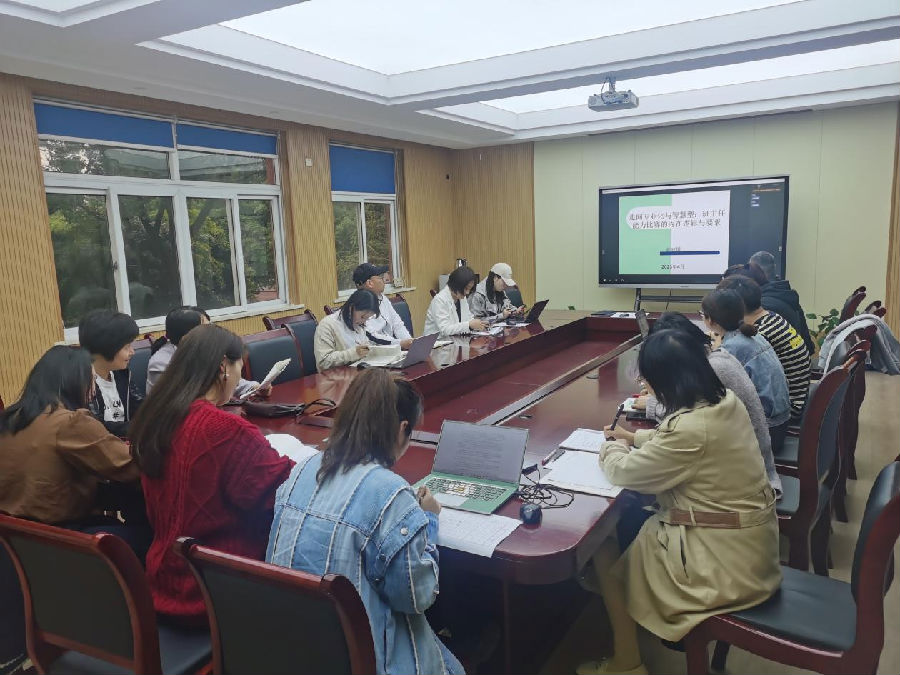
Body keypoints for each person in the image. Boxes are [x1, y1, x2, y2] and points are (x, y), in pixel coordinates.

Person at [577, 330, 781, 675]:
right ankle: (640, 623)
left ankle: (626, 661)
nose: (646, 386)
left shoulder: (692, 428)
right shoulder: (723, 401)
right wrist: (633, 437)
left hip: (725, 564)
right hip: (748, 545)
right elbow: (674, 438)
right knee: (629, 519)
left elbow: (624, 471)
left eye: (648, 379)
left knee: (603, 540)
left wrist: (611, 447)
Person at [267, 369, 463, 675]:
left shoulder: (300, 472)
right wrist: (429, 519)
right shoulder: (391, 493)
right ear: (402, 429)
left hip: (298, 650)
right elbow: (417, 597)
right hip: (363, 659)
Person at [129, 324, 294, 625]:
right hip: (217, 592)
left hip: (161, 580)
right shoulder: (225, 430)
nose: (240, 377)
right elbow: (282, 494)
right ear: (222, 367)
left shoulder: (155, 417)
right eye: (239, 367)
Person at [0, 346, 148, 550]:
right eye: (92, 380)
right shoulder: (70, 423)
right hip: (63, 541)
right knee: (154, 538)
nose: (94, 389)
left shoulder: (10, 418)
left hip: (17, 542)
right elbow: (132, 467)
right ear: (77, 382)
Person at [633, 312, 781, 496]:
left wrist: (653, 403)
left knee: (654, 488)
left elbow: (686, 420)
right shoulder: (713, 358)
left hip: (748, 478)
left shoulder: (712, 369)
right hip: (747, 467)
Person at [701, 289, 791, 452]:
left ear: (710, 320)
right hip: (780, 424)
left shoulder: (731, 349)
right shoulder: (755, 336)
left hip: (766, 433)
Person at [719, 275, 810, 421]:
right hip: (797, 398)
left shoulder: (759, 335)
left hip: (785, 410)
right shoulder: (772, 318)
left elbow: (730, 376)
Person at [146, 306, 265, 398]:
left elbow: (225, 378)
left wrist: (253, 387)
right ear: (187, 337)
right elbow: (190, 398)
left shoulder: (202, 350)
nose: (212, 332)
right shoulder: (161, 364)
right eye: (207, 329)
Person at [78, 309, 143, 436]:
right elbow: (96, 428)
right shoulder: (83, 383)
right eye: (126, 347)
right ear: (107, 347)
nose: (132, 352)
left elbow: (140, 407)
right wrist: (138, 428)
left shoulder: (121, 374)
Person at [749, 250, 815, 354]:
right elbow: (807, 343)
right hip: (800, 358)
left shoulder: (764, 304)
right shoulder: (785, 293)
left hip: (781, 362)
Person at [314, 289, 380, 371]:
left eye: (367, 318)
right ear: (351, 307)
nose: (364, 321)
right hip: (336, 376)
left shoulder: (359, 325)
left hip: (357, 371)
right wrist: (353, 353)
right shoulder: (327, 325)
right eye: (362, 317)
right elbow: (323, 362)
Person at [353, 263, 413, 349]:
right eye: (379, 277)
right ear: (370, 283)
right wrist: (400, 343)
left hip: (392, 348)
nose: (383, 279)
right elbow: (372, 337)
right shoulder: (358, 307)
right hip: (374, 351)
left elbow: (397, 324)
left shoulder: (382, 298)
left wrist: (410, 342)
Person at [424, 265, 486, 337]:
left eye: (470, 289)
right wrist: (469, 325)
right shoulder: (439, 300)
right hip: (438, 341)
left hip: (456, 340)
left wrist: (479, 324)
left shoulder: (461, 297)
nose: (467, 292)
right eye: (466, 288)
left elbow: (468, 318)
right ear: (456, 285)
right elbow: (445, 329)